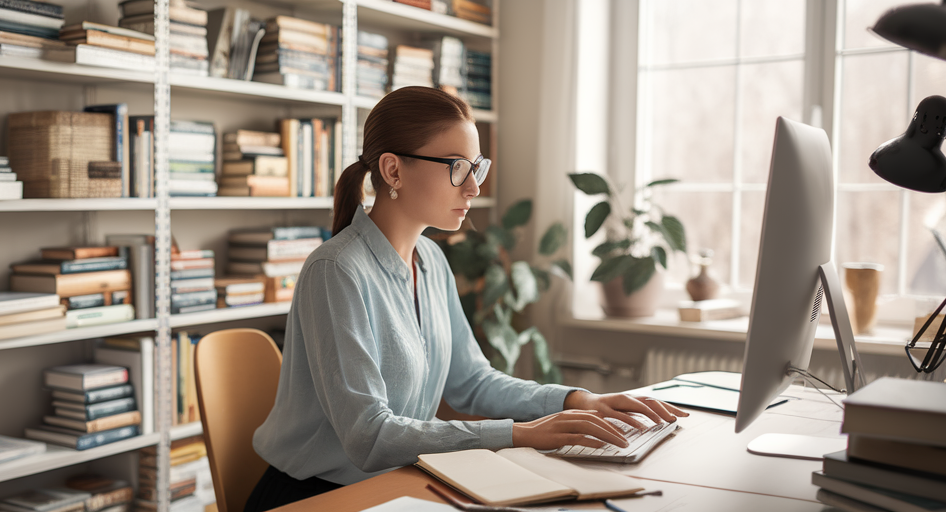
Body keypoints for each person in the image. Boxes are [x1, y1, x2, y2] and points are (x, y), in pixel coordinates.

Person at [245, 87, 687, 511]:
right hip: (314, 497)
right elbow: (370, 435)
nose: (473, 188)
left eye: (477, 167)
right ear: (393, 170)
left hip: (399, 481)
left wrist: (574, 401)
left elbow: (472, 382)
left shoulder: (432, 260)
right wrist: (522, 433)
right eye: (457, 167)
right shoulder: (336, 271)